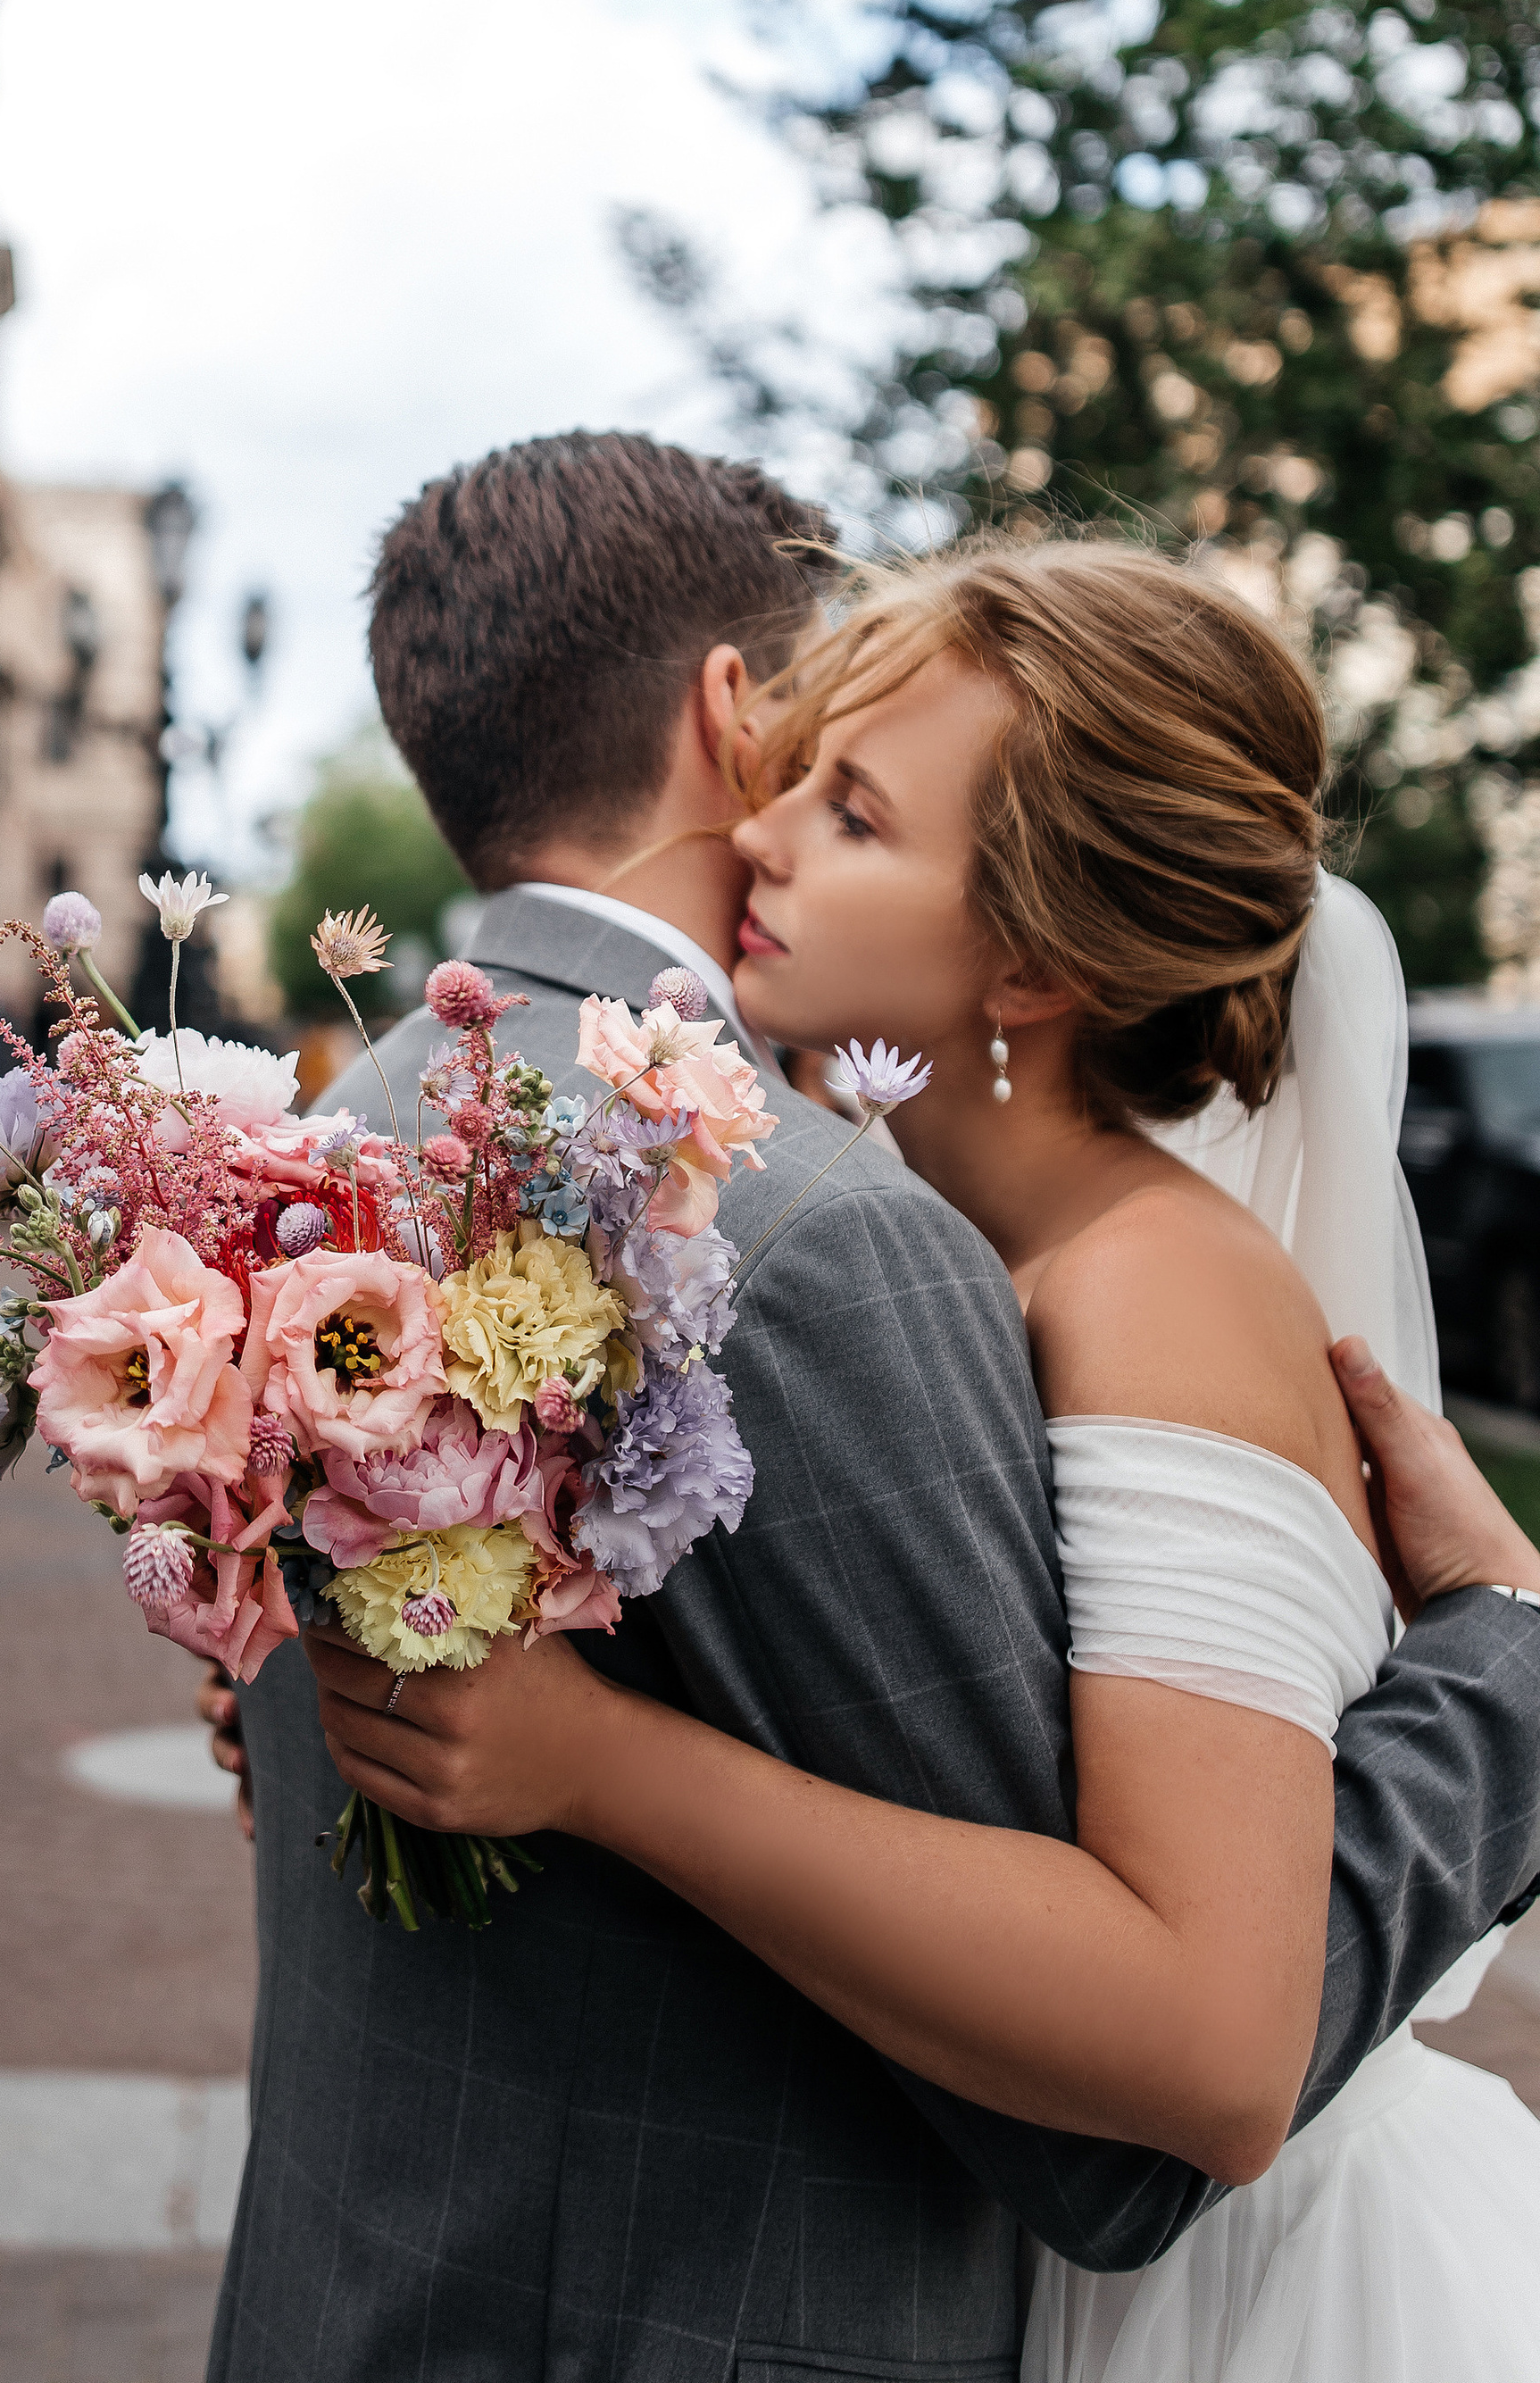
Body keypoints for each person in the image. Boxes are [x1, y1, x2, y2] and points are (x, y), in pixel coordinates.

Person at [298, 535, 1540, 2383]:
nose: (765, 838)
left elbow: (1211, 2048)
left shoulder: (1151, 1287)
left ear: (1031, 960)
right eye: (790, 775)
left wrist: (598, 1764)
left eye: (854, 814)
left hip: (1238, 2309)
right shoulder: (938, 1241)